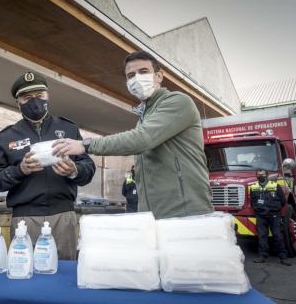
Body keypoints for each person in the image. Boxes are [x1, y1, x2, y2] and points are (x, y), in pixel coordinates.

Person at [52, 50, 213, 219]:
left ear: (159, 76)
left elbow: (141, 139)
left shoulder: (177, 102)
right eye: (130, 75)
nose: (136, 78)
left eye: (143, 72)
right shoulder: (144, 118)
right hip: (153, 215)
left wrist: (85, 145)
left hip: (186, 213)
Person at [0, 72, 95, 260]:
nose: (34, 101)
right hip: (25, 219)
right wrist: (20, 170)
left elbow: (88, 167)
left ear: (48, 96)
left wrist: (75, 171)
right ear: (18, 102)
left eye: (39, 95)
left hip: (63, 215)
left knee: (64, 272)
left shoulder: (68, 129)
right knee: (24, 270)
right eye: (27, 97)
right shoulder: (7, 136)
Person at [250, 169, 291, 266]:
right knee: (262, 236)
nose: (260, 176)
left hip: (274, 215)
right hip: (261, 216)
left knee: (278, 236)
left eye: (262, 174)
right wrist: (259, 210)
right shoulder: (253, 187)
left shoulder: (275, 185)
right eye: (258, 174)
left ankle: (283, 257)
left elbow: (283, 201)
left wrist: (274, 209)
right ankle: (262, 256)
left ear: (267, 175)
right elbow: (252, 201)